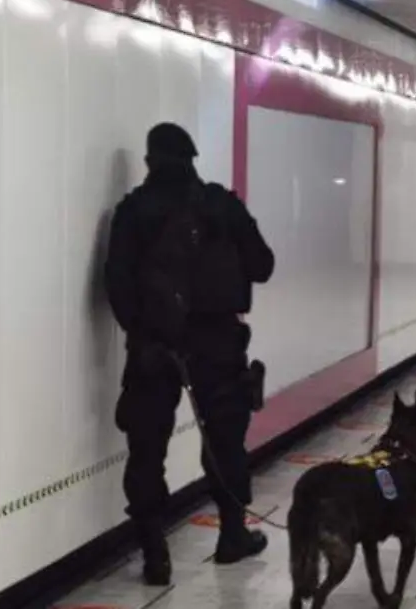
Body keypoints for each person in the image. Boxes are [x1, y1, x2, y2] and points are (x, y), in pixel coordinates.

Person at [105, 122, 275, 586]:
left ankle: (155, 554)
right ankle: (232, 536)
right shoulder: (221, 205)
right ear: (193, 160)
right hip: (218, 342)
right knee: (224, 440)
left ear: (149, 162)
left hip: (155, 348)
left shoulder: (133, 212)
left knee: (147, 448)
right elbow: (264, 266)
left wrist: (146, 334)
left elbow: (116, 287)